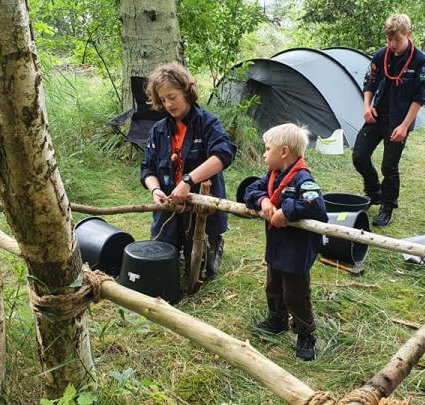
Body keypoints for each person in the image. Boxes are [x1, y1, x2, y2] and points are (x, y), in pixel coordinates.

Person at [140, 62, 237, 282]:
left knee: (204, 272)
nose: (168, 104)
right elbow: (148, 168)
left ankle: (213, 246)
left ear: (186, 90)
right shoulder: (159, 130)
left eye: (172, 97)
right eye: (163, 99)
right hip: (169, 209)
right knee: (162, 263)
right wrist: (155, 189)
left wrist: (187, 181)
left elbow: (223, 155)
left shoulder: (207, 123)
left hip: (201, 207)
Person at [244, 123, 328, 361]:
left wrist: (287, 211)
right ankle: (277, 318)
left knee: (295, 294)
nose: (263, 153)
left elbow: (317, 206)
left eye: (267, 149)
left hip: (297, 252)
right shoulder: (272, 176)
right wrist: (264, 202)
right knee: (273, 286)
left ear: (284, 152)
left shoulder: (303, 178)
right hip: (276, 246)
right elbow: (250, 190)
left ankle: (305, 333)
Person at [352, 13, 425, 227]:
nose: (393, 44)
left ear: (408, 34)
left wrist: (405, 126)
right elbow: (369, 82)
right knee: (359, 156)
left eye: (397, 39)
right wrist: (367, 107)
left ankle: (387, 206)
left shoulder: (421, 61)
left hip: (400, 121)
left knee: (389, 166)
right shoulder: (381, 56)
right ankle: (373, 191)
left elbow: (420, 97)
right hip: (377, 115)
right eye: (389, 40)